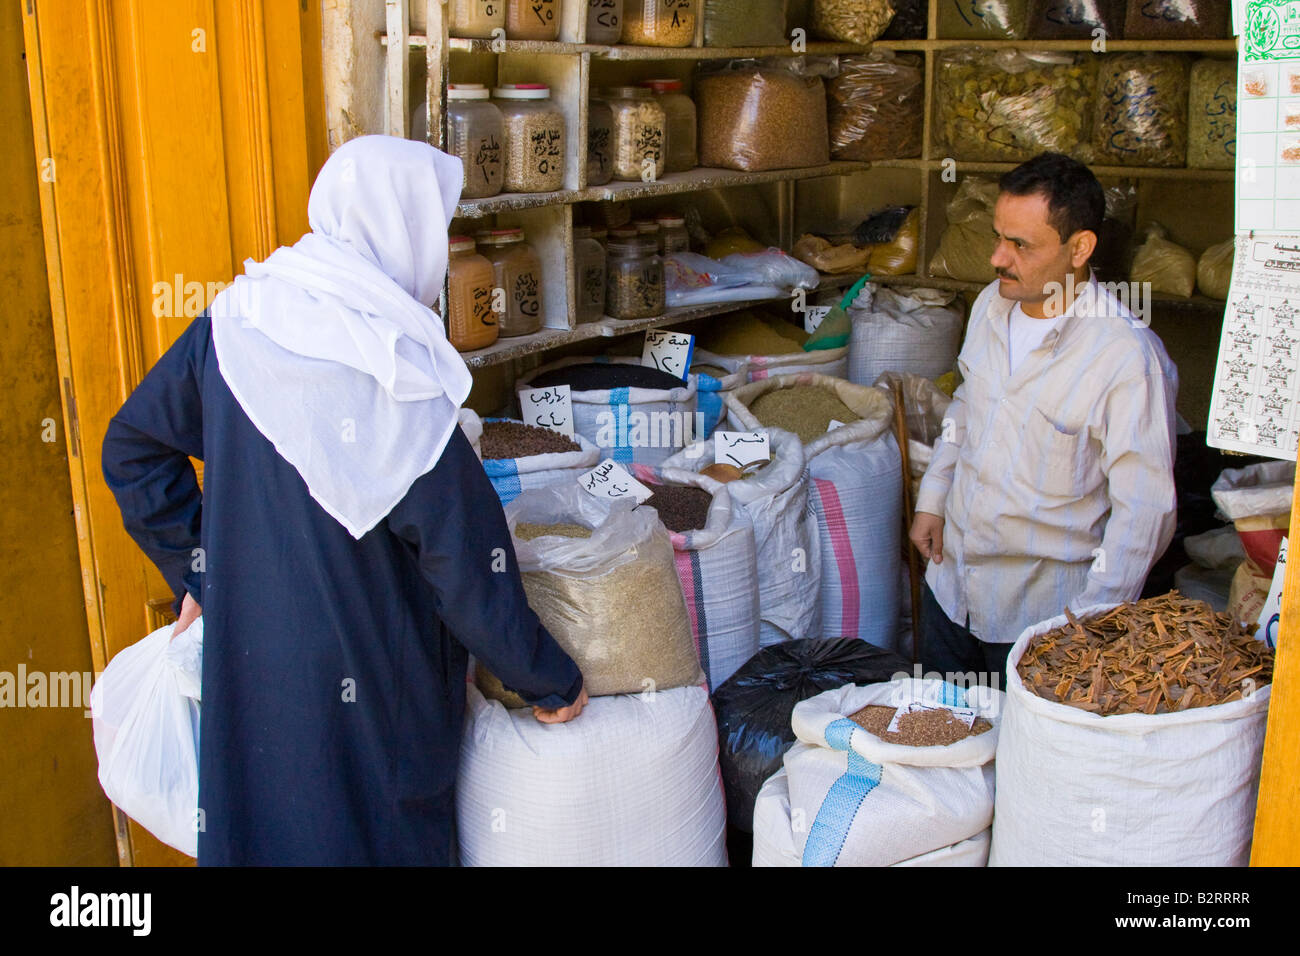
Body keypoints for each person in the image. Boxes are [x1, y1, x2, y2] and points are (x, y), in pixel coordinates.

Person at [101, 135, 586, 866]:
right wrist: (548, 677)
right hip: (370, 686)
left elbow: (131, 451)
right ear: (401, 233)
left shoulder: (236, 321)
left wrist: (203, 573)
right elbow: (464, 562)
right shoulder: (393, 371)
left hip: (251, 663)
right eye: (437, 230)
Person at [908, 152, 1178, 688]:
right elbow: (966, 403)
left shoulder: (1124, 356)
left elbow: (1144, 511)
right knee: (941, 753)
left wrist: (1088, 625)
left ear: (1079, 248)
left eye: (1021, 245)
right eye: (998, 236)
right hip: (951, 587)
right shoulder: (991, 306)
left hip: (1040, 620)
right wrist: (933, 498)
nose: (996, 257)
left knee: (1018, 767)